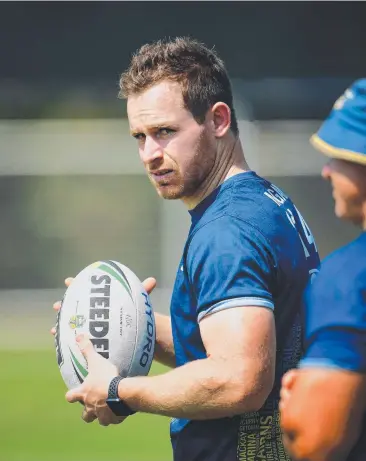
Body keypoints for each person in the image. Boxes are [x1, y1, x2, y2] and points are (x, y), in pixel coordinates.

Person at [51, 37, 319, 461]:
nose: (149, 155)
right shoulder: (263, 201)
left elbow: (241, 378)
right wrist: (126, 323)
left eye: (164, 132)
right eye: (139, 137)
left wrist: (120, 393)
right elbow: (249, 345)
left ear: (217, 120)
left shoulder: (226, 231)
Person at [280, 78, 366, 461]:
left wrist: (296, 410)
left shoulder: (349, 278)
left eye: (340, 155)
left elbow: (315, 443)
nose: (326, 171)